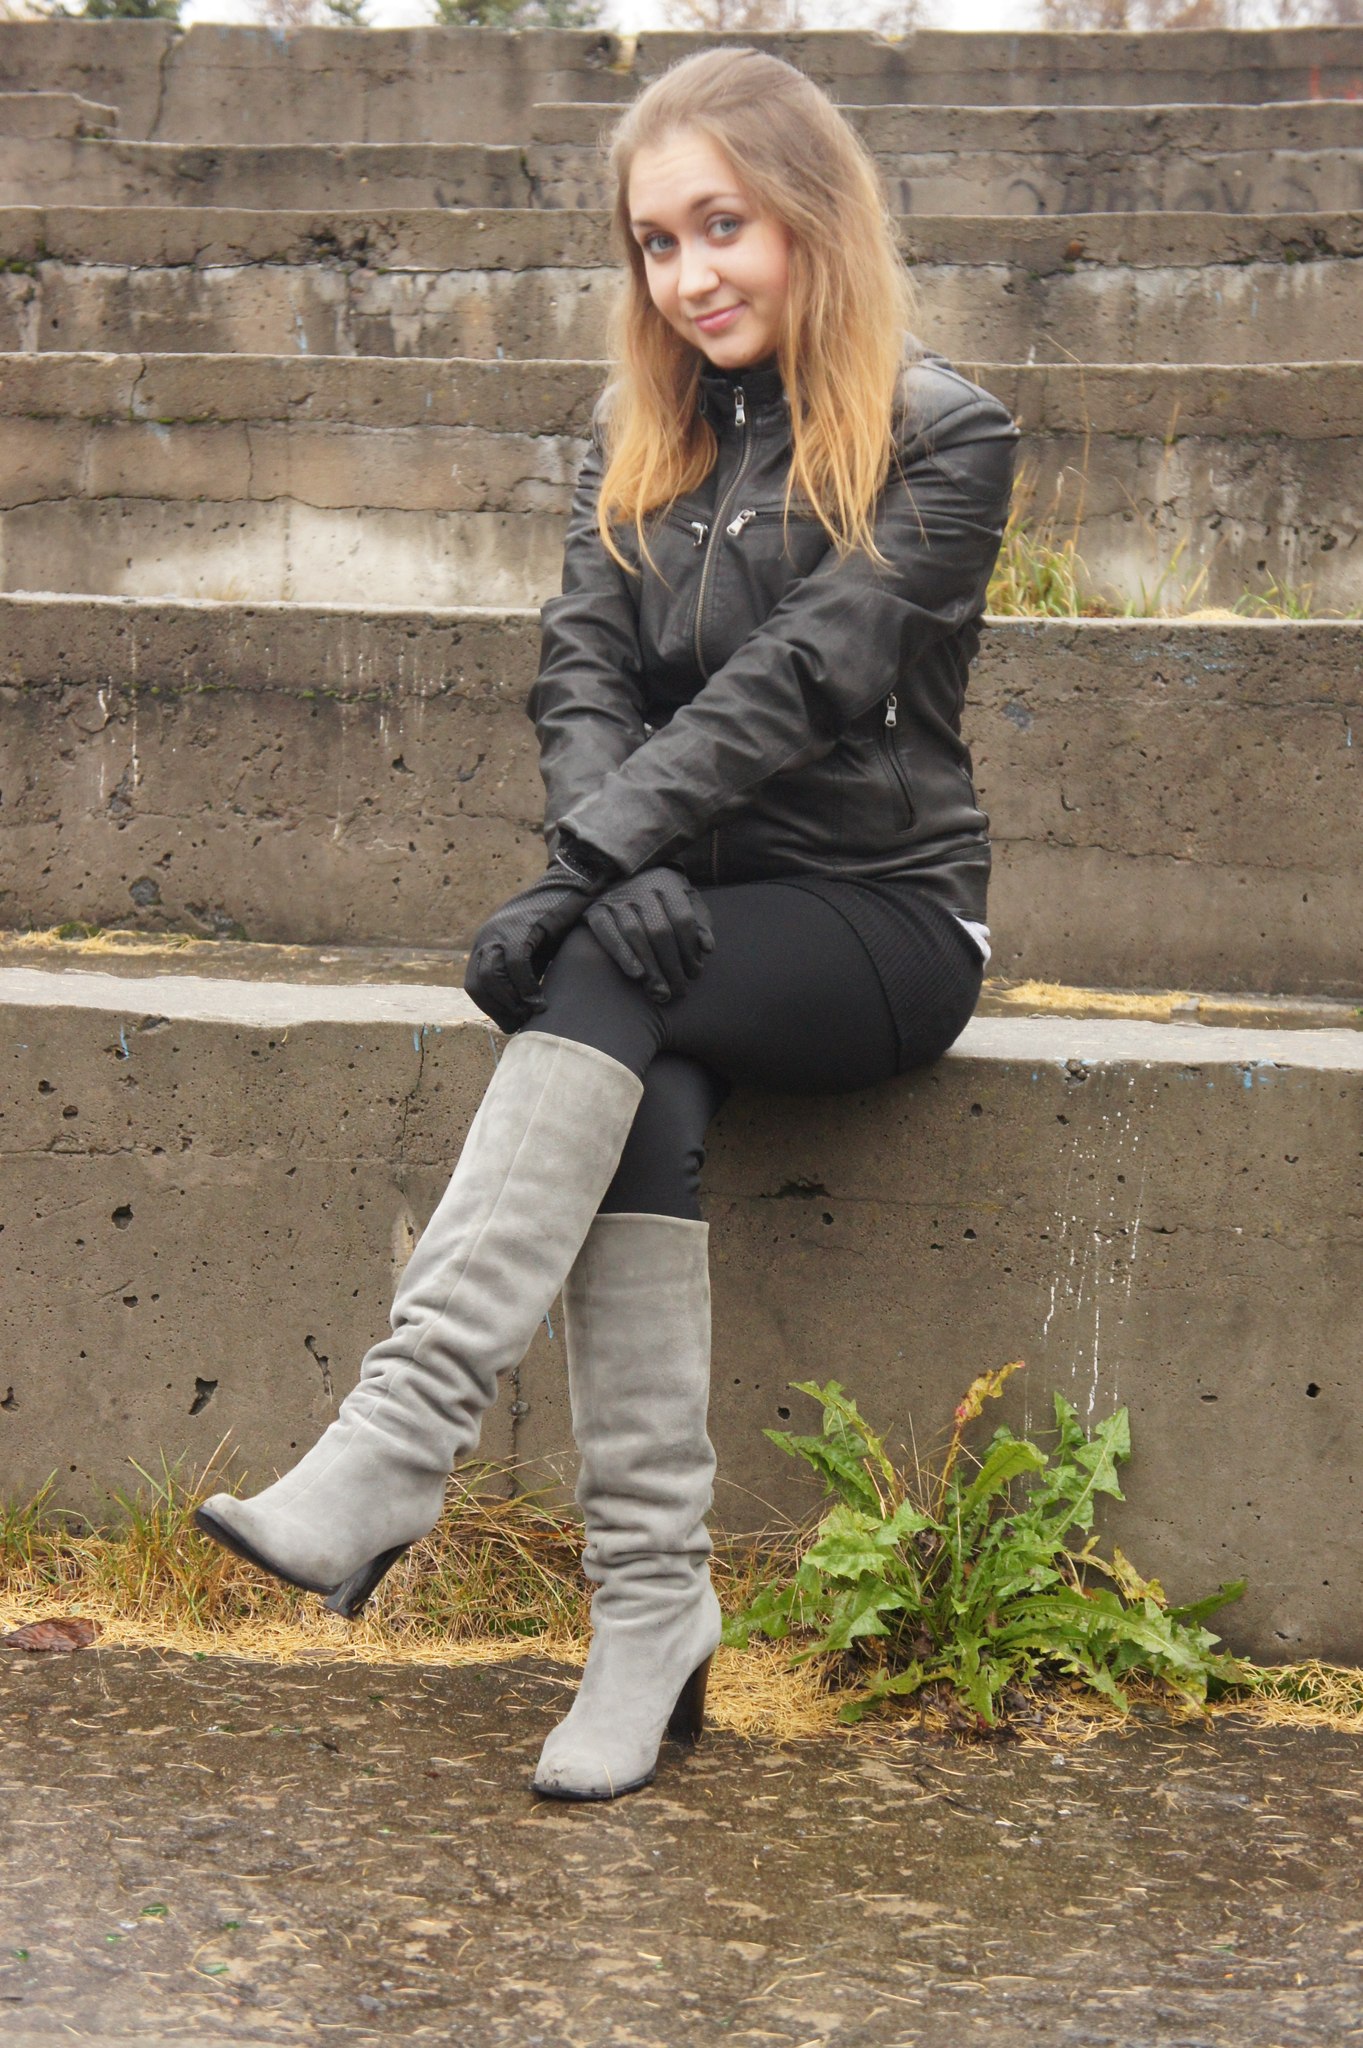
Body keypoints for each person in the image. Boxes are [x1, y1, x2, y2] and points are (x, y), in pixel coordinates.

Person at [195, 45, 1019, 1804]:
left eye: (724, 225)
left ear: (810, 216)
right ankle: (652, 1614)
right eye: (656, 241)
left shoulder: (948, 432)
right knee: (633, 1067)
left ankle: (401, 1438)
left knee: (593, 975)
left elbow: (806, 679)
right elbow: (581, 672)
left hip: (880, 920)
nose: (689, 274)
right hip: (682, 908)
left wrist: (581, 870)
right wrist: (615, 859)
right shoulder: (642, 431)